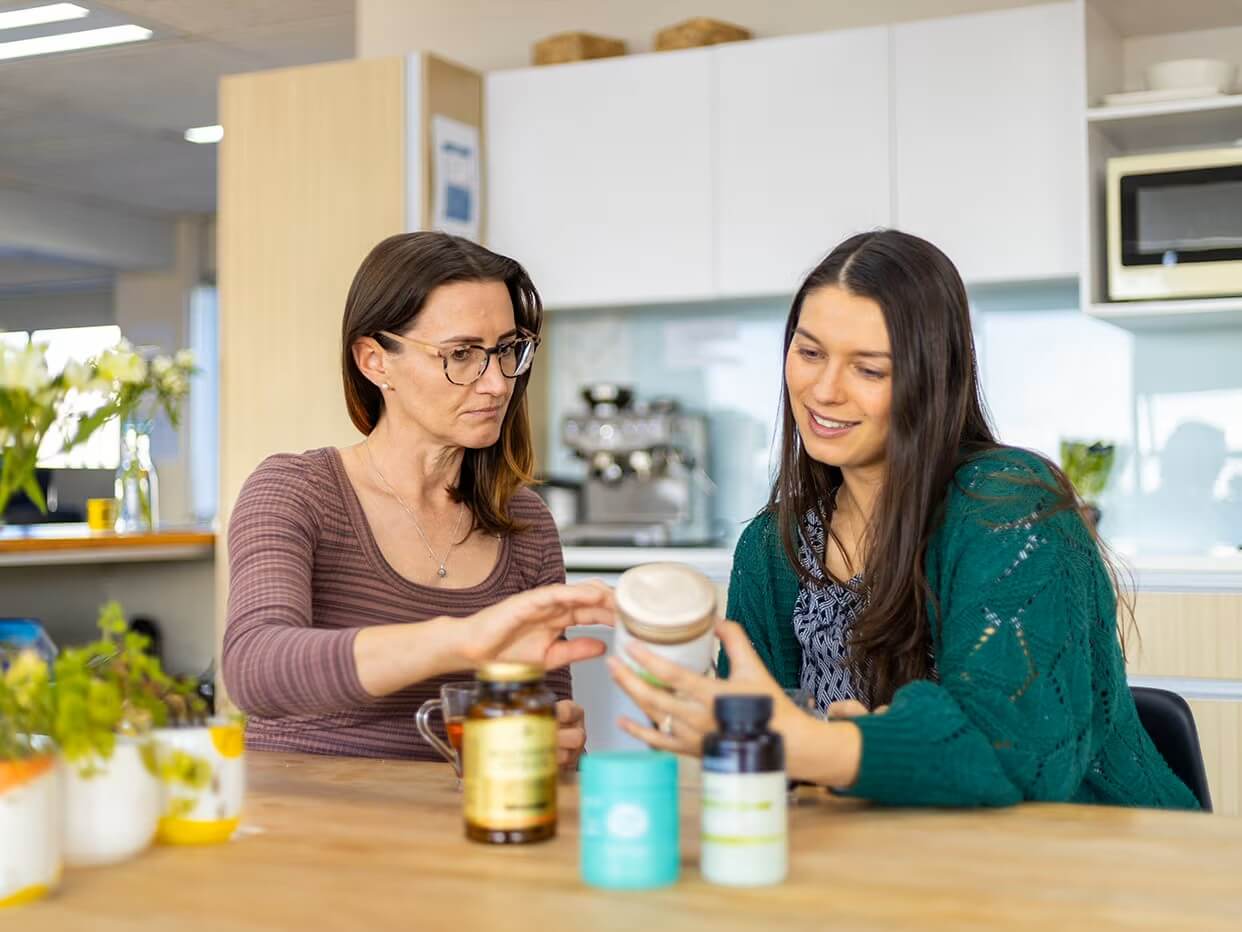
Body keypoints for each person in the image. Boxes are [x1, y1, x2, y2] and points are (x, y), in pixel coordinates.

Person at [610, 229, 1198, 809]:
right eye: (809, 352)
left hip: (1098, 856)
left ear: (931, 382)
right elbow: (759, 751)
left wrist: (814, 744)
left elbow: (1011, 755)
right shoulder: (772, 546)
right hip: (898, 856)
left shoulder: (1010, 509)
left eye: (869, 370)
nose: (824, 390)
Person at [222, 232, 611, 766]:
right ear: (374, 361)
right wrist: (462, 641)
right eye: (461, 354)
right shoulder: (295, 491)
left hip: (460, 833)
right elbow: (255, 668)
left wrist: (558, 743)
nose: (497, 383)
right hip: (307, 829)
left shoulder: (527, 524)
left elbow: (547, 718)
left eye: (506, 350)